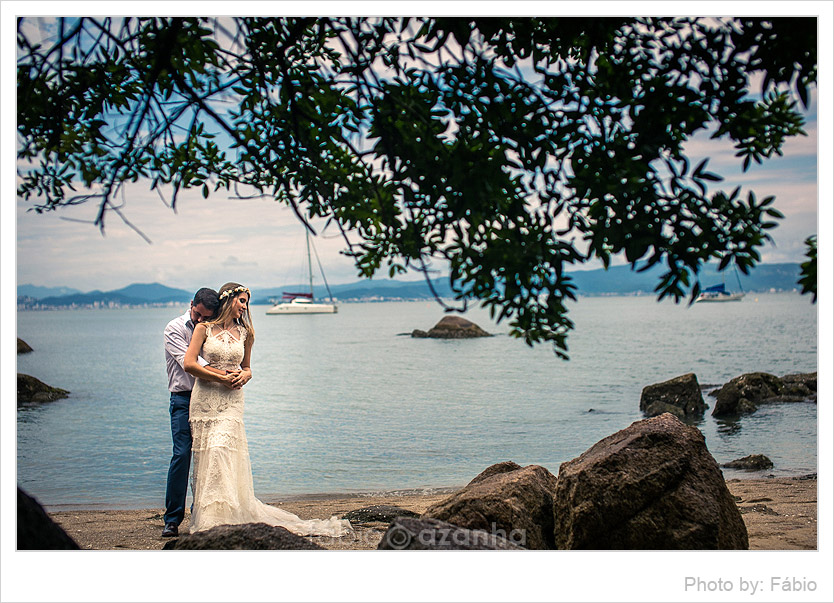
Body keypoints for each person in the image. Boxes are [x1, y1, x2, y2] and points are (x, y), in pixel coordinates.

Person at [183, 282, 351, 536]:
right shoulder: (203, 329)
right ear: (229, 300)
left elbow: (247, 367)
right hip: (205, 400)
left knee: (222, 451)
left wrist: (245, 377)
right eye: (242, 300)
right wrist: (221, 378)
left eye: (246, 301)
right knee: (209, 458)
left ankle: (228, 515)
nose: (245, 306)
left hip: (232, 402)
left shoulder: (246, 333)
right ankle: (211, 518)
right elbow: (189, 363)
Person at [162, 288, 221, 537]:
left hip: (209, 398)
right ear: (191, 305)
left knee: (208, 457)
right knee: (182, 454)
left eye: (206, 318)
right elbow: (191, 361)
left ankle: (201, 515)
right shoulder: (174, 329)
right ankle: (172, 519)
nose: (200, 321)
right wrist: (224, 374)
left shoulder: (213, 329)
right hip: (183, 398)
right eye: (198, 315)